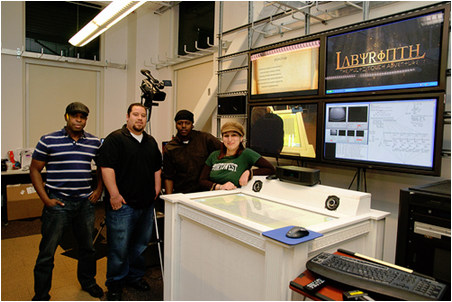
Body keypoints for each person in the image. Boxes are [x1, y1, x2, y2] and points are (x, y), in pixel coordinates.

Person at [30, 102, 104, 301]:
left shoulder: (95, 142)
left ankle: (88, 282)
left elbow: (103, 168)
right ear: (66, 117)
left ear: (86, 119)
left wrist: (98, 190)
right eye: (75, 116)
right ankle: (41, 295)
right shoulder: (48, 140)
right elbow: (35, 169)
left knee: (88, 248)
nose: (79, 119)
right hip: (58, 205)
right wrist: (45, 199)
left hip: (85, 204)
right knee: (47, 252)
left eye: (83, 116)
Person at [96, 103, 162, 301]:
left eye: (143, 115)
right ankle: (115, 282)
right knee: (119, 247)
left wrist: (157, 186)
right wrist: (114, 196)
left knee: (140, 245)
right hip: (122, 206)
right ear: (127, 116)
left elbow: (156, 167)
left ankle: (134, 276)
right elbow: (106, 168)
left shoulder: (150, 141)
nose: (140, 118)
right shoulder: (115, 139)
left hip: (146, 204)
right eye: (136, 114)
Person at [199, 121, 275, 191]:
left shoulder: (247, 153)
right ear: (222, 138)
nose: (230, 139)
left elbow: (271, 169)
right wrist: (220, 187)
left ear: (241, 138)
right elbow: (202, 181)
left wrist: (248, 172)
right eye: (226, 136)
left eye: (234, 135)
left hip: (235, 198)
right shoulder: (214, 155)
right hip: (212, 196)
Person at [163, 109, 222, 194]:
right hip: (182, 193)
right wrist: (168, 200)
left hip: (205, 192)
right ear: (176, 125)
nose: (183, 126)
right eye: (180, 123)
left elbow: (225, 152)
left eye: (187, 123)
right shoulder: (170, 148)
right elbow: (168, 177)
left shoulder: (205, 139)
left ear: (192, 125)